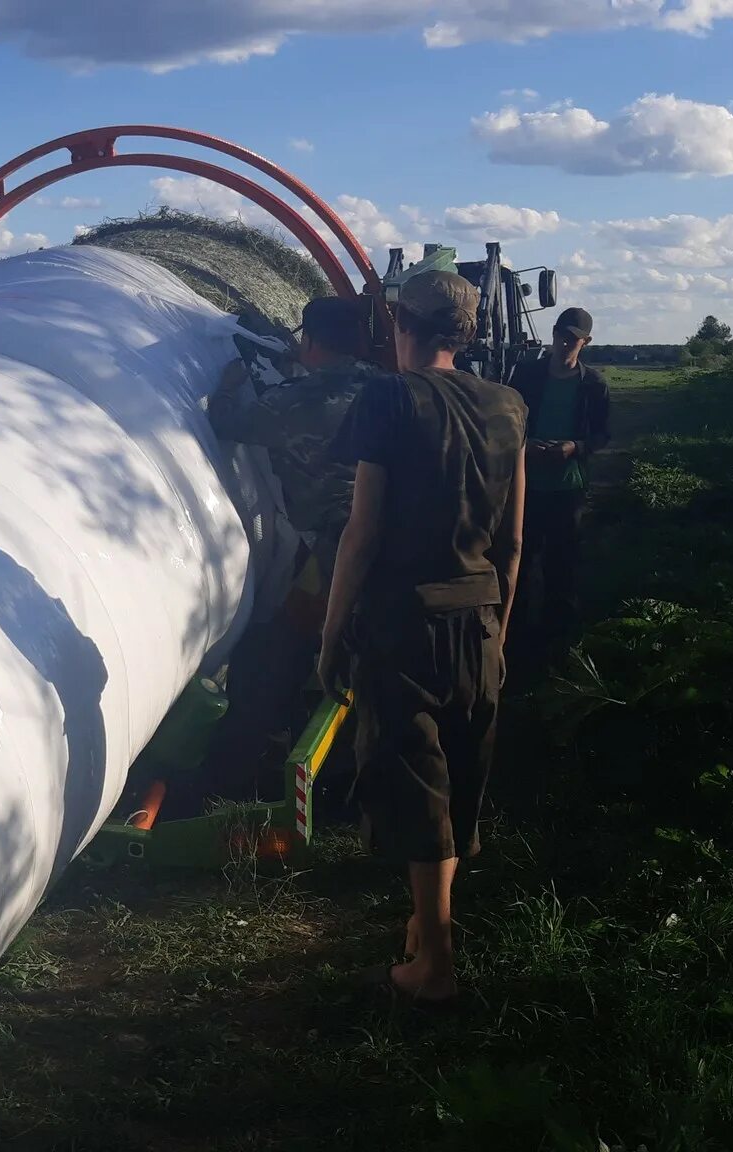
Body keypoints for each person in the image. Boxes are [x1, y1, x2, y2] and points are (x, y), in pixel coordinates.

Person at [319, 270, 527, 1003]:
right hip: (479, 617)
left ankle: (434, 967)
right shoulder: (509, 405)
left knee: (417, 787)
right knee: (460, 778)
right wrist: (498, 628)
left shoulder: (388, 398)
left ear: (403, 324)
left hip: (406, 623)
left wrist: (331, 631)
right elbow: (511, 545)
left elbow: (362, 533)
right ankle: (425, 928)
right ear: (465, 333)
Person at [200, 296, 396, 802]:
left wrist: (227, 387)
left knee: (286, 651)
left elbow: (228, 425)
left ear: (308, 342)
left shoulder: (296, 402)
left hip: (337, 548)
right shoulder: (388, 387)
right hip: (400, 536)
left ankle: (247, 770)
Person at [506, 307, 610, 672]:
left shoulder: (593, 385)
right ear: (552, 334)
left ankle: (559, 645)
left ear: (586, 342)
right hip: (525, 484)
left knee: (562, 564)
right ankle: (514, 637)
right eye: (561, 336)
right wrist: (526, 445)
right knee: (518, 558)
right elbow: (508, 421)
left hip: (569, 487)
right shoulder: (526, 375)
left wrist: (574, 448)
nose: (565, 343)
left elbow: (600, 435)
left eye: (573, 339)